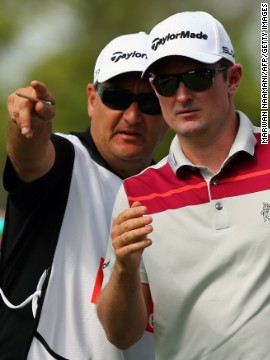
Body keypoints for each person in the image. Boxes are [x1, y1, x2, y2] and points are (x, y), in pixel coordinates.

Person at [97, 11, 270, 360]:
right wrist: (125, 270)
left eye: (197, 77)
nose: (181, 95)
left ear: (232, 79)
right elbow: (122, 334)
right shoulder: (136, 194)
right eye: (166, 83)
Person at [0, 32, 168, 359]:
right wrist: (28, 127)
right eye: (117, 97)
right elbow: (30, 158)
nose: (133, 116)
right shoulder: (65, 159)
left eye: (149, 102)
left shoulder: (181, 191)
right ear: (92, 100)